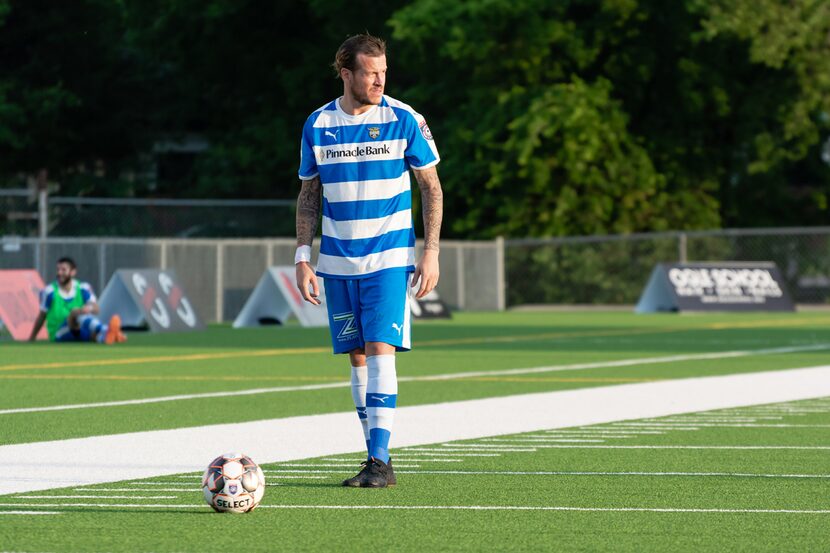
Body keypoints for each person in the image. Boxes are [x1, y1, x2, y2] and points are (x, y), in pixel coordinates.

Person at [294, 33, 443, 488]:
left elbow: (431, 187)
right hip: (337, 260)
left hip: (389, 256)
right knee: (356, 357)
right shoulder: (318, 124)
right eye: (370, 73)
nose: (379, 80)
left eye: (383, 72)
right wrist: (304, 257)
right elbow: (308, 195)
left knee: (380, 350)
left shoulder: (404, 118)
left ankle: (381, 461)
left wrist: (431, 251)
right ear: (346, 73)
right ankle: (372, 457)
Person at [28, 256, 126, 344]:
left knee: (96, 337)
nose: (59, 273)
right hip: (58, 333)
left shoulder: (83, 287)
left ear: (73, 272)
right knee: (76, 313)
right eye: (58, 269)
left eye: (63, 270)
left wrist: (88, 308)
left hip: (78, 329)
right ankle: (106, 329)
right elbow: (42, 316)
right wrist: (32, 337)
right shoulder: (49, 291)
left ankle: (109, 335)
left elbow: (96, 309)